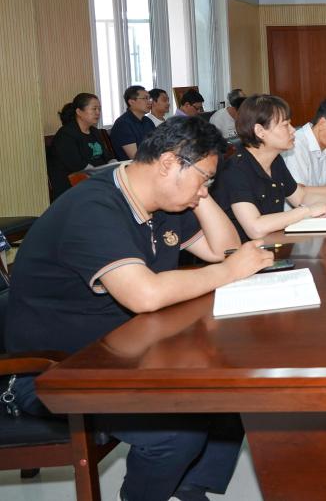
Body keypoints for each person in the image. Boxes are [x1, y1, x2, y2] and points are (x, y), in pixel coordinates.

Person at [6, 116, 274, 501]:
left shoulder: (162, 201)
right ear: (168, 163)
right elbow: (144, 295)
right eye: (204, 179)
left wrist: (199, 188)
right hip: (56, 370)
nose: (205, 191)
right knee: (176, 432)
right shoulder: (93, 208)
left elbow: (224, 249)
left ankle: (188, 485)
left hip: (123, 348)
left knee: (230, 382)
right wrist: (230, 270)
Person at [212, 94, 326, 241]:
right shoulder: (236, 168)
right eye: (285, 125)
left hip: (272, 242)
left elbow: (300, 196)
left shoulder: (275, 161)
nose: (293, 130)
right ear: (260, 131)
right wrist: (306, 212)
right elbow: (255, 228)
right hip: (242, 250)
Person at [47, 93, 114, 198]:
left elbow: (107, 156)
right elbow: (79, 166)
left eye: (99, 109)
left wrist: (117, 168)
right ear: (79, 112)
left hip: (97, 180)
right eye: (94, 109)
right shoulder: (66, 135)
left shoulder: (94, 131)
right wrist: (104, 178)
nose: (98, 112)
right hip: (74, 185)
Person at [109, 85, 156, 161]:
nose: (150, 102)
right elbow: (135, 157)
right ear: (131, 102)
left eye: (149, 98)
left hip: (150, 161)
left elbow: (157, 145)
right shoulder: (123, 124)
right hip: (132, 166)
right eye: (145, 98)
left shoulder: (148, 121)